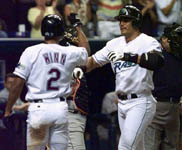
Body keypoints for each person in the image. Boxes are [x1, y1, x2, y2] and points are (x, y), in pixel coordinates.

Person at [74, 5, 165, 150]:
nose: (121, 23)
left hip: (141, 101)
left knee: (125, 146)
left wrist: (128, 56)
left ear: (136, 22)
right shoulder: (114, 44)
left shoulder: (147, 41)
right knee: (137, 147)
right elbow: (93, 61)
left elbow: (158, 61)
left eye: (126, 20)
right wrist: (81, 68)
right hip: (121, 104)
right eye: (120, 20)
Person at [3, 14, 89, 150]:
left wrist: (8, 110)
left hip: (39, 109)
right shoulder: (69, 52)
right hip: (60, 108)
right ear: (61, 32)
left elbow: (17, 83)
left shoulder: (31, 51)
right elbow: (86, 51)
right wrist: (78, 27)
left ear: (43, 31)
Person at [144, 23, 182, 150]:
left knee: (171, 146)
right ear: (164, 39)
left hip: (175, 107)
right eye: (176, 39)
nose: (179, 42)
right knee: (151, 146)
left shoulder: (179, 56)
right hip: (156, 105)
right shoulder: (155, 54)